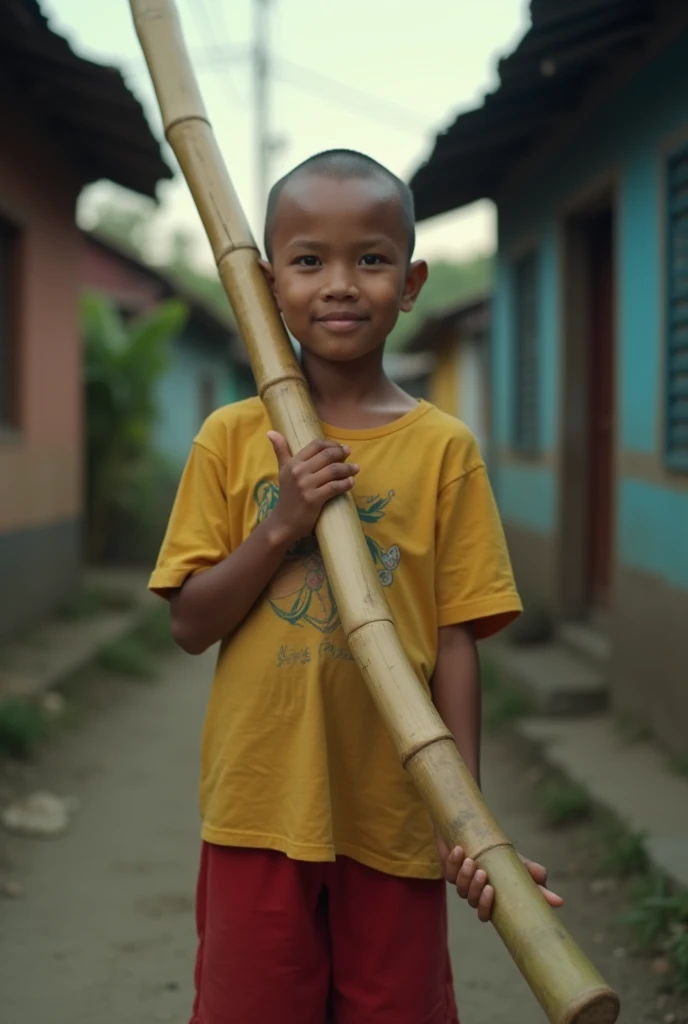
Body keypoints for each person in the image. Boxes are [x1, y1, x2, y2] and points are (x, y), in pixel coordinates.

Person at [149, 149, 563, 1024]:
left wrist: (467, 821)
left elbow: (453, 640)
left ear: (410, 283)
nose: (340, 284)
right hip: (258, 806)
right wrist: (280, 525)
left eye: (370, 259)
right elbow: (190, 623)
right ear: (266, 284)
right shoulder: (231, 439)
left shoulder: (443, 448)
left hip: (397, 816)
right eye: (308, 261)